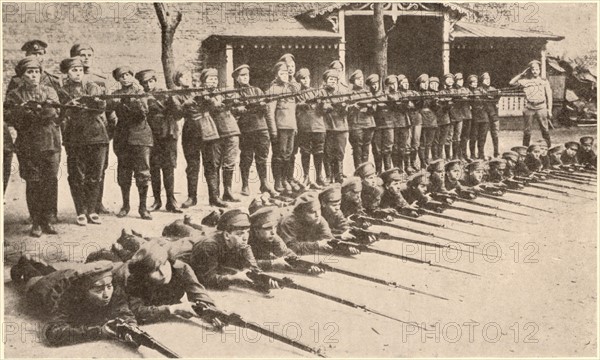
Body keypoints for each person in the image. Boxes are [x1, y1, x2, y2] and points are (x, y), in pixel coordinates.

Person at [10, 258, 137, 347]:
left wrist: (132, 327)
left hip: (68, 275)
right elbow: (53, 333)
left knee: (52, 272)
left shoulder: (112, 289)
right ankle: (25, 262)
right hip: (44, 289)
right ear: (84, 291)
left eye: (109, 286)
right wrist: (99, 332)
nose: (106, 294)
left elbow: (124, 311)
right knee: (34, 278)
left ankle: (38, 262)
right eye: (98, 289)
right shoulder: (66, 298)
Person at [4, 58, 61, 237]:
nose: (34, 75)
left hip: (50, 142)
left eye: (36, 71)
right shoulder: (15, 94)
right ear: (22, 75)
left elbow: (52, 113)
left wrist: (33, 113)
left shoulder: (49, 90)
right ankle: (36, 222)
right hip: (28, 145)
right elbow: (10, 117)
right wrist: (27, 112)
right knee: (33, 182)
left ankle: (48, 220)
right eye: (29, 72)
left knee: (50, 181)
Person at [111, 241, 216, 324]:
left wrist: (211, 312)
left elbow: (198, 293)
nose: (163, 272)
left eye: (164, 264)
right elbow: (136, 311)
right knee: (112, 258)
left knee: (139, 251)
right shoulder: (132, 280)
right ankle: (118, 247)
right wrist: (173, 309)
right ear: (144, 276)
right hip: (115, 268)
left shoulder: (182, 269)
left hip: (140, 261)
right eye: (155, 270)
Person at [60, 57, 109, 226]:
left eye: (80, 70)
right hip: (75, 138)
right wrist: (71, 106)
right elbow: (61, 113)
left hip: (97, 136)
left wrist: (92, 103)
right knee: (76, 175)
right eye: (74, 70)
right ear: (67, 72)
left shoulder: (92, 87)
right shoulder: (62, 91)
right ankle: (80, 211)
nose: (78, 73)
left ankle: (92, 210)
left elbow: (102, 106)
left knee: (95, 175)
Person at [70, 43, 115, 215]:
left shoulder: (100, 79)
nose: (86, 58)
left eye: (89, 54)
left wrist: (110, 129)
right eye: (82, 54)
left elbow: (109, 107)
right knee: (79, 171)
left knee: (99, 168)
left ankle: (97, 203)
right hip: (78, 132)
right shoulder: (68, 80)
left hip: (99, 129)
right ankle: (82, 208)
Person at [135, 69, 182, 213]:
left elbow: (178, 114)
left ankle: (171, 201)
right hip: (151, 135)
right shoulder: (142, 96)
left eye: (150, 81)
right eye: (145, 83)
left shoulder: (165, 94)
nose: (148, 85)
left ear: (155, 80)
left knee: (168, 168)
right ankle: (157, 201)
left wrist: (171, 99)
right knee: (154, 168)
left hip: (168, 134)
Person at [109, 66, 153, 220]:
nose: (125, 78)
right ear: (118, 80)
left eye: (128, 75)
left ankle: (143, 207)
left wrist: (132, 101)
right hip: (122, 137)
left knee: (142, 173)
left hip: (140, 136)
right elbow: (108, 110)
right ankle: (125, 205)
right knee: (124, 174)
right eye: (122, 76)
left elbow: (143, 112)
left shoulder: (141, 93)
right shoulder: (115, 95)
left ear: (132, 76)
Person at [176, 68, 223, 208]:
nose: (188, 80)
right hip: (190, 131)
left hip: (208, 130)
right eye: (183, 77)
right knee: (192, 166)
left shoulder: (209, 91)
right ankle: (192, 197)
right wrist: (186, 104)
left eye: (189, 77)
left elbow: (217, 105)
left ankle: (214, 197)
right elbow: (177, 114)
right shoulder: (177, 95)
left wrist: (208, 97)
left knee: (211, 165)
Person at [231, 64, 278, 197]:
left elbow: (266, 109)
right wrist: (242, 108)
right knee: (246, 156)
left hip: (261, 127)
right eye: (242, 76)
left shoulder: (257, 90)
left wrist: (262, 106)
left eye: (247, 75)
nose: (245, 78)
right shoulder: (234, 93)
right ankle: (245, 184)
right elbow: (234, 110)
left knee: (262, 157)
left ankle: (264, 183)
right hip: (246, 129)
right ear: (236, 78)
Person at [189, 209, 261, 289]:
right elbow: (206, 279)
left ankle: (193, 223)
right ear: (227, 235)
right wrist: (233, 278)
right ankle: (190, 222)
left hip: (210, 235)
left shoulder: (241, 244)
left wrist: (264, 281)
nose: (245, 238)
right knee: (185, 229)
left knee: (207, 230)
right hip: (188, 245)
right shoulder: (209, 246)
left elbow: (254, 269)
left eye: (247, 232)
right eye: (239, 234)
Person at [203, 69, 242, 204]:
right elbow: (211, 106)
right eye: (209, 79)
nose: (213, 81)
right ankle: (214, 196)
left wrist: (236, 105)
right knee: (213, 165)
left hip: (231, 131)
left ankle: (228, 192)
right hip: (214, 134)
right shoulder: (201, 95)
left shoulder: (223, 94)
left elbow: (234, 108)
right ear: (204, 81)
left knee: (229, 163)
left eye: (215, 78)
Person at [265, 62, 298, 194]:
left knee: (288, 155)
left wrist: (295, 127)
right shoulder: (273, 90)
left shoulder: (291, 89)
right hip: (280, 128)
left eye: (285, 73)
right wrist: (273, 130)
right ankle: (278, 181)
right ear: (276, 75)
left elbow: (293, 110)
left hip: (290, 127)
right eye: (281, 73)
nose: (284, 75)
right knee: (279, 155)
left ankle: (285, 179)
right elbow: (270, 113)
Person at [509, 60, 553, 147]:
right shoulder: (525, 81)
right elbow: (511, 83)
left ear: (539, 70)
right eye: (533, 69)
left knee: (545, 129)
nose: (535, 71)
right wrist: (521, 74)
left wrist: (550, 110)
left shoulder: (544, 81)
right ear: (530, 70)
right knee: (527, 130)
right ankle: (525, 149)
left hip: (541, 107)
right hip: (529, 107)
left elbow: (549, 96)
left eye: (537, 69)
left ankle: (548, 148)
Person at [295, 68, 327, 188]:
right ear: (299, 81)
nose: (306, 80)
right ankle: (306, 177)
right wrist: (302, 104)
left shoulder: (317, 92)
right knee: (305, 152)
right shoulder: (296, 94)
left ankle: (319, 177)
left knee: (319, 152)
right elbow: (294, 106)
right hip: (305, 127)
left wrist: (322, 103)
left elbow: (325, 108)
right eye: (303, 78)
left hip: (318, 126)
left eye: (307, 78)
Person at [321, 69, 349, 184]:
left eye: (335, 79)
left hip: (341, 127)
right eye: (330, 79)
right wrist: (326, 106)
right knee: (327, 152)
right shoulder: (321, 93)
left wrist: (343, 107)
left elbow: (346, 111)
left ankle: (339, 175)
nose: (332, 81)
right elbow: (320, 108)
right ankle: (329, 176)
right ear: (326, 81)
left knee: (340, 152)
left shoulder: (342, 93)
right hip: (327, 127)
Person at [248, 206, 296, 271]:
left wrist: (296, 260)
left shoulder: (273, 237)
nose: (273, 232)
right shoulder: (245, 239)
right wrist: (271, 263)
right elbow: (246, 264)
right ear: (256, 229)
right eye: (268, 228)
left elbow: (284, 252)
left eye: (275, 227)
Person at [347, 70, 375, 170]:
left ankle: (366, 170)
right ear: (353, 81)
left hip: (368, 123)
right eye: (358, 79)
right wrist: (355, 106)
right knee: (357, 148)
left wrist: (370, 107)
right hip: (356, 123)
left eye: (361, 79)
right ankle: (358, 170)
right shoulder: (349, 94)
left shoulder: (368, 93)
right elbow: (346, 109)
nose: (360, 81)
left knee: (366, 148)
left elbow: (373, 109)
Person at [371, 74, 395, 173]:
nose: (374, 86)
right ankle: (378, 170)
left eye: (376, 83)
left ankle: (388, 169)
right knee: (377, 149)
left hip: (388, 124)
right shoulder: (369, 95)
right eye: (372, 84)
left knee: (388, 148)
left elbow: (394, 105)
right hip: (376, 125)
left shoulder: (387, 95)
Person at [416, 74, 437, 168]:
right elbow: (417, 106)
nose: (425, 85)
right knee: (422, 142)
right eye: (423, 83)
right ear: (419, 84)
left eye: (427, 83)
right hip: (421, 119)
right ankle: (422, 161)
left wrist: (436, 102)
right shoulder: (416, 94)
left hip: (432, 119)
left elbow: (435, 108)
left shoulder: (431, 94)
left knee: (429, 142)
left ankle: (427, 159)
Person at [393, 74, 413, 173]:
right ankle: (398, 167)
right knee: (396, 146)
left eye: (407, 83)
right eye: (403, 83)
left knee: (405, 146)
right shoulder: (395, 94)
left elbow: (411, 106)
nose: (406, 85)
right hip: (396, 123)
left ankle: (407, 166)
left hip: (405, 122)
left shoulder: (407, 94)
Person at [448, 73, 470, 160]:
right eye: (458, 80)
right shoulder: (453, 90)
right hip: (455, 115)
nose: (460, 82)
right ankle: (455, 155)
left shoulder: (465, 89)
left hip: (464, 115)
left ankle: (463, 154)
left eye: (461, 80)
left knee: (463, 136)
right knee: (454, 136)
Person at [432, 74, 453, 160]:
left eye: (436, 84)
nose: (435, 86)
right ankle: (437, 157)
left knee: (445, 139)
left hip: (446, 119)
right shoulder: (439, 93)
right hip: (437, 119)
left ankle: (446, 157)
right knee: (437, 140)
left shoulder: (444, 93)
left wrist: (448, 105)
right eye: (433, 84)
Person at [479, 72, 500, 157]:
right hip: (484, 115)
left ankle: (496, 152)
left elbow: (496, 101)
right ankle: (481, 153)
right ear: (482, 80)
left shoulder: (493, 89)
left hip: (493, 114)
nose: (488, 81)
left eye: (489, 79)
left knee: (495, 134)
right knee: (483, 135)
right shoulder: (479, 90)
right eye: (485, 79)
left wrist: (498, 95)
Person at [469, 74, 488, 159]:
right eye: (472, 82)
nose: (474, 84)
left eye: (476, 82)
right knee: (473, 136)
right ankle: (472, 154)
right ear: (469, 83)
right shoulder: (467, 91)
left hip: (484, 116)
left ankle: (481, 154)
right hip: (474, 116)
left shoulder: (481, 90)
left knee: (482, 136)